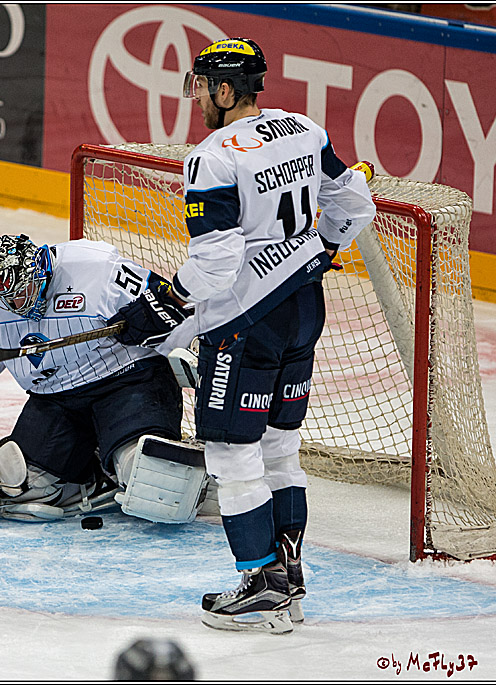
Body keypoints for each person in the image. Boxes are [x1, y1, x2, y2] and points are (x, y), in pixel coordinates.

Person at [109, 38, 376, 633]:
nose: (198, 97)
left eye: (203, 86)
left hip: (245, 326)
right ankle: (289, 574)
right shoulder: (301, 128)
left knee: (232, 454)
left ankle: (261, 585)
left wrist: (166, 301)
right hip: (304, 307)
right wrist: (322, 249)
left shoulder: (211, 158)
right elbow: (356, 203)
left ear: (226, 90)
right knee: (280, 448)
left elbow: (216, 265)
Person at [0, 234, 207, 525]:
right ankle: (95, 478)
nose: (15, 304)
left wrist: (186, 345)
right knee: (20, 484)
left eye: (21, 292)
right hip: (57, 399)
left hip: (128, 381)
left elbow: (170, 308)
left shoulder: (96, 269)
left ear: (41, 272)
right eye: (7, 298)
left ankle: (147, 462)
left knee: (154, 479)